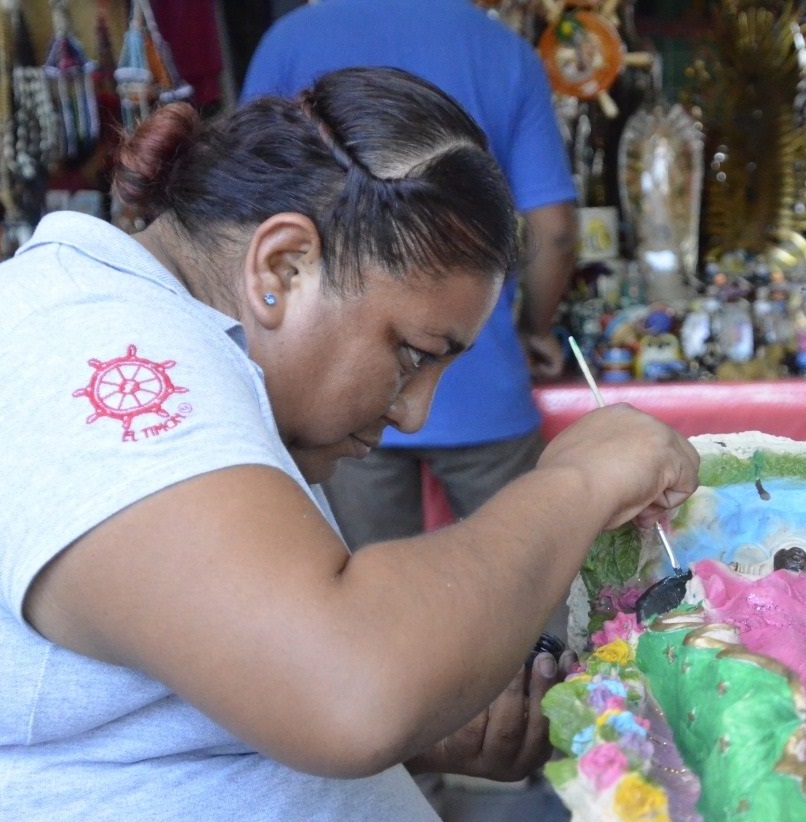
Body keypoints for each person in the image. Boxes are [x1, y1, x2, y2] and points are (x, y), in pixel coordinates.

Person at [0, 68, 700, 822]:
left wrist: (431, 705)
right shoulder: (83, 348)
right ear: (283, 266)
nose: (412, 410)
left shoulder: (185, 350)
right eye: (412, 352)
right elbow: (348, 688)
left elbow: (244, 675)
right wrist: (579, 480)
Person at [240, 0, 579, 552]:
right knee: (536, 598)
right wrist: (531, 330)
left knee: (360, 608)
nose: (410, 411)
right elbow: (555, 230)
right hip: (481, 383)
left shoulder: (290, 40)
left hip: (335, 385)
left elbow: (249, 208)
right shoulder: (503, 51)